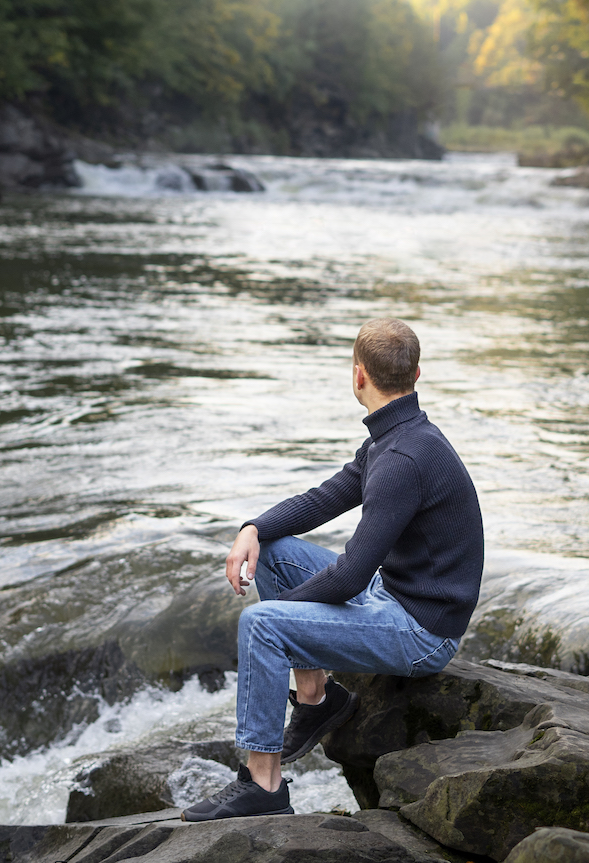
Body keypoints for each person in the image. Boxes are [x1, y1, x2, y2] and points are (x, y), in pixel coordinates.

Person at [182, 317, 484, 821]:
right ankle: (316, 698)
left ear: (358, 376)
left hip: (421, 632)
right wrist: (253, 528)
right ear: (416, 374)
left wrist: (280, 621)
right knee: (275, 550)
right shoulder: (398, 436)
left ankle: (265, 784)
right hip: (397, 597)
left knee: (261, 625)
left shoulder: (404, 457)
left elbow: (348, 577)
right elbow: (329, 497)